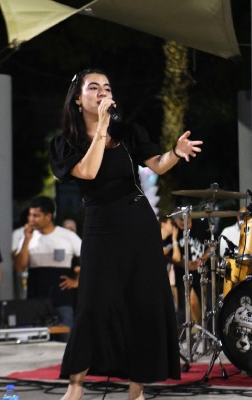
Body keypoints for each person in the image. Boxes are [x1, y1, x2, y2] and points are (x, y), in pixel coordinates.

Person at [49, 68, 202, 400]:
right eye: (94, 88)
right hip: (100, 224)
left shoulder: (128, 132)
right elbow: (88, 171)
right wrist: (102, 127)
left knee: (142, 302)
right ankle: (75, 388)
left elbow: (157, 164)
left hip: (138, 221)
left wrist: (175, 153)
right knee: (93, 303)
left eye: (107, 87)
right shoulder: (65, 143)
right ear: (78, 100)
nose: (103, 93)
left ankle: (137, 390)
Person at [14, 196, 81, 336]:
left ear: (48, 216)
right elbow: (19, 267)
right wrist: (26, 240)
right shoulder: (28, 238)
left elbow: (88, 257)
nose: (31, 219)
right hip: (35, 301)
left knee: (66, 341)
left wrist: (77, 280)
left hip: (62, 300)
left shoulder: (67, 236)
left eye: (36, 215)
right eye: (30, 215)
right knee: (36, 342)